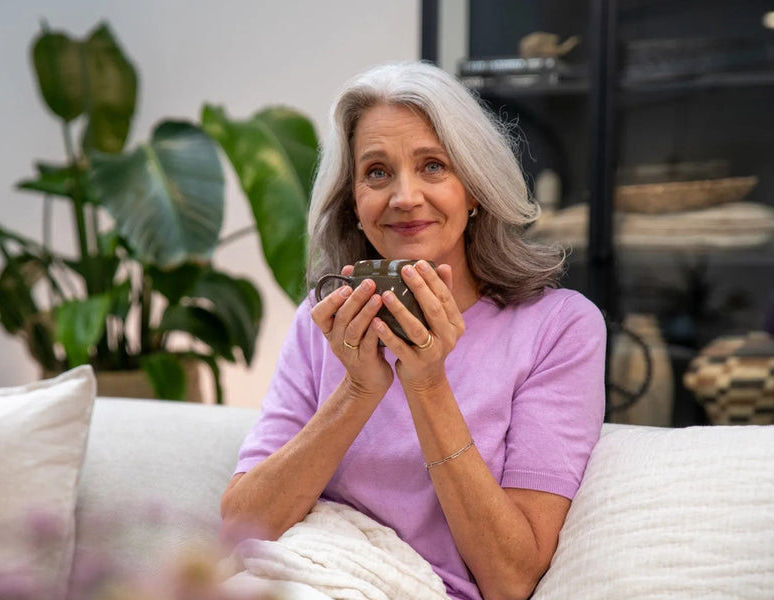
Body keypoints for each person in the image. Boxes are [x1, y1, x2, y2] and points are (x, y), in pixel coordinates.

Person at [220, 61, 606, 600]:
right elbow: (241, 527)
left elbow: (511, 578)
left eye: (432, 167)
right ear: (354, 203)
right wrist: (358, 389)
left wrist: (427, 383)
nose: (404, 197)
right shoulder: (324, 321)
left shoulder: (558, 327)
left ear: (474, 190)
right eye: (377, 172)